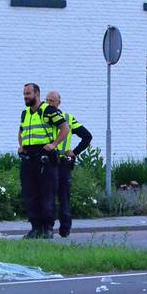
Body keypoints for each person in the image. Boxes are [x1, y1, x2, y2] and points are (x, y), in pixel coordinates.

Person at [18, 83, 69, 239]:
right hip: (29, 158)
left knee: (46, 195)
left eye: (28, 93)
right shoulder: (25, 113)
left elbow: (65, 128)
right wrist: (21, 145)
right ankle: (35, 228)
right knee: (30, 195)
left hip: (45, 158)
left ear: (37, 94)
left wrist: (53, 144)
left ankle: (47, 228)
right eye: (24, 94)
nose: (25, 97)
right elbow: (21, 132)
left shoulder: (49, 111)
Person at [47, 91, 93, 238]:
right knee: (48, 197)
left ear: (59, 103)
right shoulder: (42, 119)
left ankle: (65, 229)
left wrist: (74, 152)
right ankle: (48, 228)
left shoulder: (68, 118)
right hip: (47, 162)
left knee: (63, 197)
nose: (49, 103)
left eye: (52, 101)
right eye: (47, 100)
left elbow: (87, 136)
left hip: (62, 163)